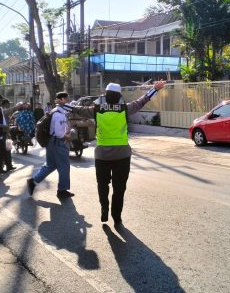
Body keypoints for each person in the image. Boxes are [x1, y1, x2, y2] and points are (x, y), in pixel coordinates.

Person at [61, 81, 166, 225]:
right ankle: (117, 216)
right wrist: (155, 89)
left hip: (102, 155)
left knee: (102, 185)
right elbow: (143, 100)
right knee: (119, 188)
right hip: (122, 155)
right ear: (118, 96)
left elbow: (77, 109)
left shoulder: (96, 109)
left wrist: (62, 104)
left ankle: (104, 208)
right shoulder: (125, 108)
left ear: (106, 95)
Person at [27, 92, 74, 198]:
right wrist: (67, 137)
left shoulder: (56, 111)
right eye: (67, 99)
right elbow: (59, 133)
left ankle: (33, 182)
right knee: (64, 166)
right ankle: (62, 190)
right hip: (58, 142)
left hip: (52, 142)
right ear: (62, 99)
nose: (69, 101)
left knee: (50, 165)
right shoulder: (59, 114)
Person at [1, 99, 21, 171]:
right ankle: (2, 165)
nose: (9, 104)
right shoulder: (3, 110)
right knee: (4, 150)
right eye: (8, 103)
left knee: (8, 149)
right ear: (5, 104)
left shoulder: (4, 110)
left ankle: (9, 165)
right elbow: (12, 109)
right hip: (3, 133)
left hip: (6, 132)